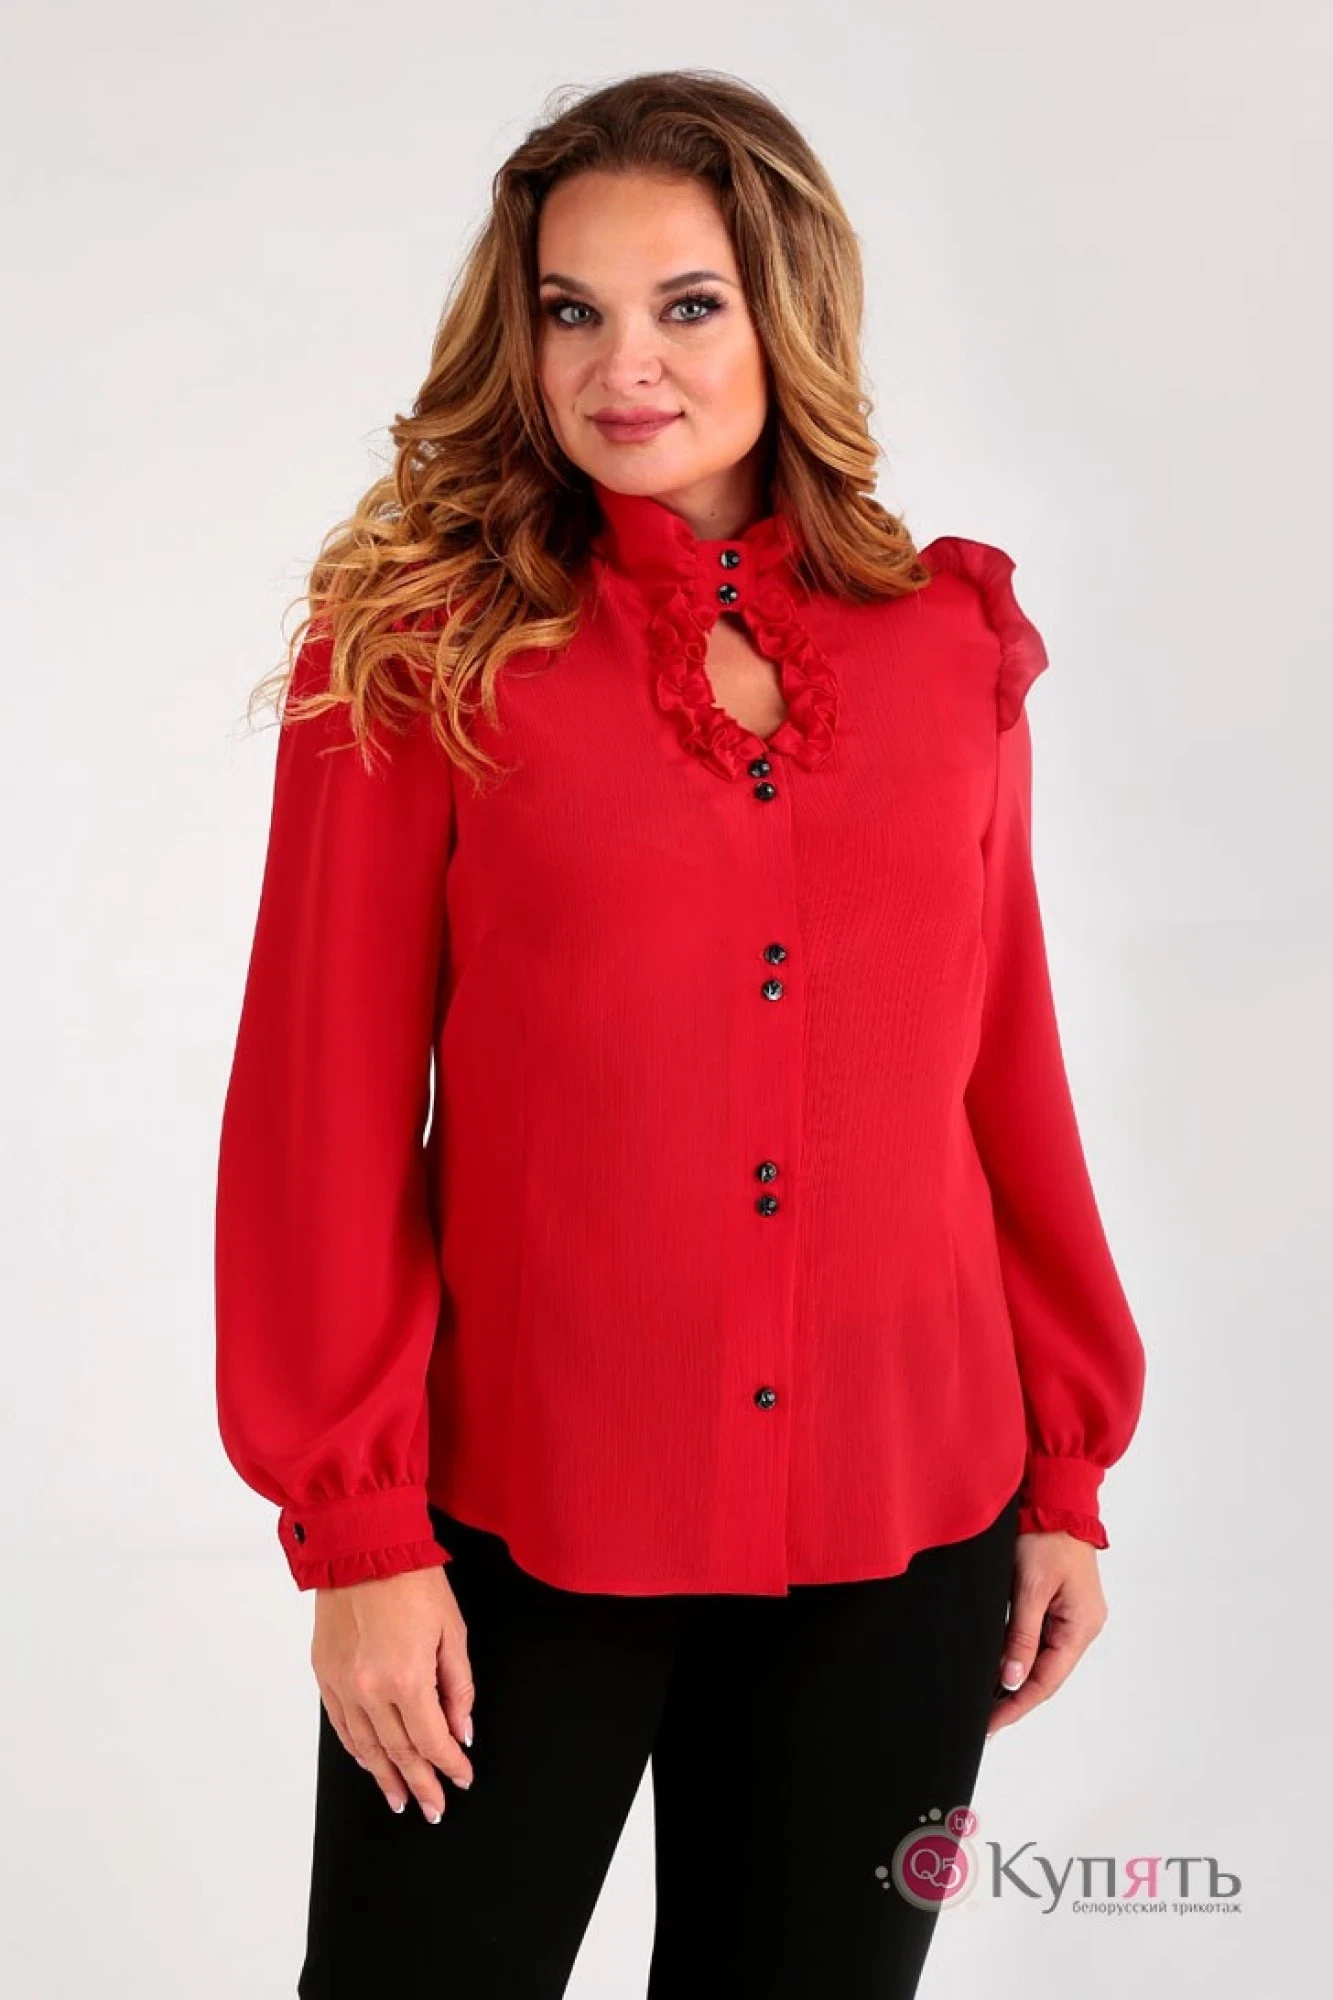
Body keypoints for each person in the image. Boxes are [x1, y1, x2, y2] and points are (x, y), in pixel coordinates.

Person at [213, 68, 1147, 1999]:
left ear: (788, 312)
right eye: (573, 309)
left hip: (908, 1527)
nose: (621, 364)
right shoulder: (424, 654)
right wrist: (361, 1534)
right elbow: (322, 1113)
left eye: (687, 304)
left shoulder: (947, 650)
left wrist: (1061, 1474)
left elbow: (1004, 1076)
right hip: (517, 1534)